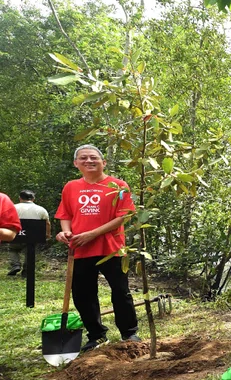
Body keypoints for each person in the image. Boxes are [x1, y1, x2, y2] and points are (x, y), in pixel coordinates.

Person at [55, 144, 139, 351]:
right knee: (83, 295)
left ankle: (129, 333)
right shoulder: (70, 187)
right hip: (80, 250)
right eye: (83, 158)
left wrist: (92, 234)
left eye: (94, 158)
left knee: (121, 292)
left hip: (112, 248)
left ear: (104, 162)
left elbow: (124, 216)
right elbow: (65, 215)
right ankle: (97, 335)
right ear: (76, 164)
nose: (89, 161)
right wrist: (65, 232)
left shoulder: (118, 185)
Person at [8, 190, 50, 276]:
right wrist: (47, 234)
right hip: (33, 236)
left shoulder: (13, 208)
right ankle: (27, 270)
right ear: (33, 198)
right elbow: (47, 223)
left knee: (13, 249)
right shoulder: (41, 209)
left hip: (17, 235)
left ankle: (15, 265)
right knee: (30, 250)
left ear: (20, 198)